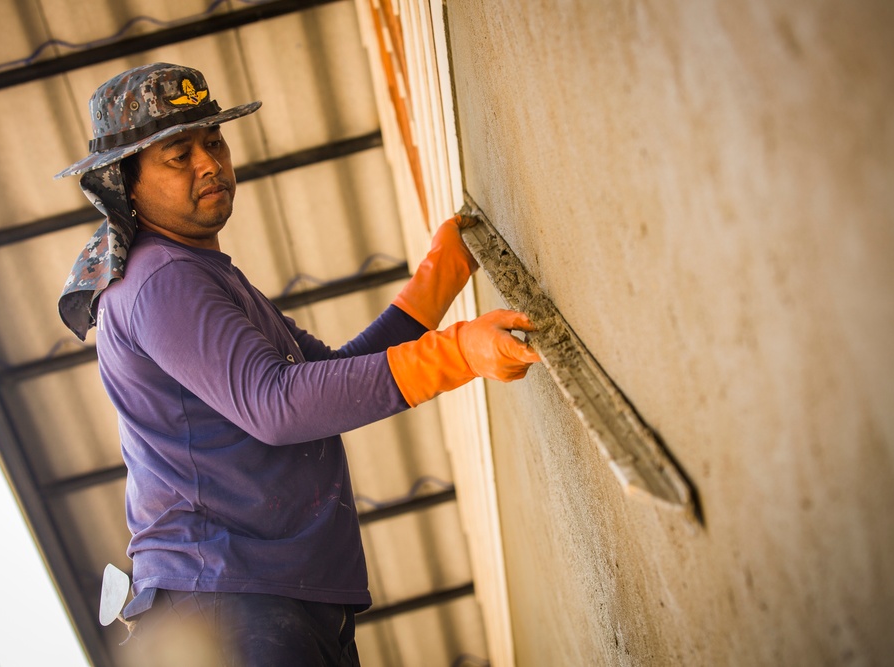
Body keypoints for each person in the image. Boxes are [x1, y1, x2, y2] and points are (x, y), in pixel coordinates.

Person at [56, 62, 540, 666]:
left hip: (266, 594)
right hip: (228, 599)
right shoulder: (160, 280)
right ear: (124, 183)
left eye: (214, 141)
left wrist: (436, 284)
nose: (209, 162)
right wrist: (458, 352)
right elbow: (277, 406)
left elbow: (329, 380)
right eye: (177, 155)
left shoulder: (200, 274)